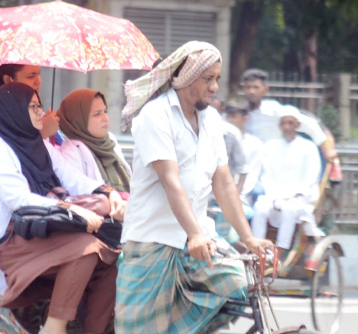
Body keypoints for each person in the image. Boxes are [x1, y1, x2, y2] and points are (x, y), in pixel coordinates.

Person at [116, 41, 272, 333]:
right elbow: (170, 181)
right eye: (207, 78)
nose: (215, 87)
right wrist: (194, 235)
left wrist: (249, 239)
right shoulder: (156, 115)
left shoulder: (212, 119)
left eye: (217, 79)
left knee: (240, 285)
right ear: (186, 77)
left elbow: (224, 183)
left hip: (200, 239)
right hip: (154, 239)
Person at [0, 82, 118, 334]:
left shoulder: (40, 145)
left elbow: (72, 179)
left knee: (111, 256)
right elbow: (18, 199)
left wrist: (110, 195)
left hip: (42, 229)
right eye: (32, 106)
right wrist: (71, 209)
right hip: (9, 240)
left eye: (39, 105)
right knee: (87, 248)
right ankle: (54, 328)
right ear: (11, 111)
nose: (40, 112)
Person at [250, 106, 323, 253]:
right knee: (260, 207)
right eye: (283, 123)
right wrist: (275, 196)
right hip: (273, 195)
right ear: (279, 126)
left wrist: (291, 196)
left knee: (289, 209)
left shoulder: (309, 147)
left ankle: (281, 250)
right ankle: (257, 250)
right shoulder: (270, 146)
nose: (287, 127)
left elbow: (311, 176)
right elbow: (266, 175)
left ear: (297, 125)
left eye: (290, 123)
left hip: (300, 197)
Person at [56, 89, 131, 213]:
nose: (105, 118)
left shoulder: (110, 141)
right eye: (97, 114)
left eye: (105, 111)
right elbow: (77, 187)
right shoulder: (70, 151)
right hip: (100, 221)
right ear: (78, 119)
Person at [240, 68, 337, 162]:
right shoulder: (238, 111)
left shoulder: (274, 109)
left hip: (271, 163)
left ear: (265, 89)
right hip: (246, 163)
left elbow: (310, 125)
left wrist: (327, 151)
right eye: (248, 87)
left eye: (256, 87)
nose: (251, 91)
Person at [225, 98, 263, 211]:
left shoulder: (255, 144)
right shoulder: (222, 139)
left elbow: (252, 173)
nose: (229, 120)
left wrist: (237, 194)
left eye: (233, 116)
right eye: (228, 116)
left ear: (245, 118)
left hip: (243, 196)